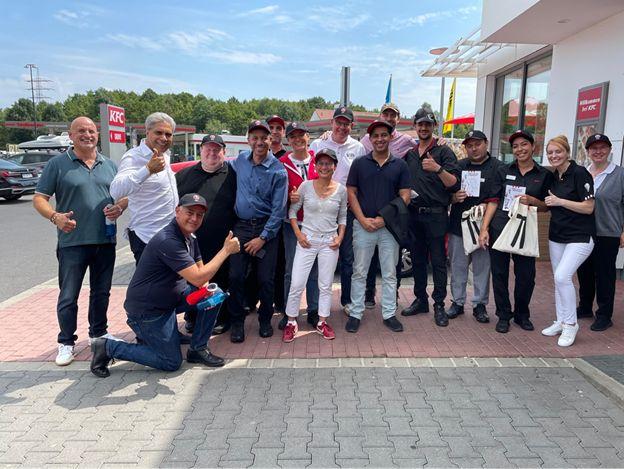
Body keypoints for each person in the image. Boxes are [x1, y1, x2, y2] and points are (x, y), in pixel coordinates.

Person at [89, 193, 241, 377]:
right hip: (148, 311)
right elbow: (199, 277)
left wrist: (206, 294)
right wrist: (225, 251)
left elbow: (201, 275)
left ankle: (198, 349)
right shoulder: (168, 240)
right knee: (170, 361)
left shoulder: (189, 237)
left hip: (169, 301)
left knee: (214, 294)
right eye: (189, 212)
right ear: (177, 211)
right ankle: (107, 347)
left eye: (199, 215)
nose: (194, 218)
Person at [33, 117, 124, 366]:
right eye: (81, 131)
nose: (87, 135)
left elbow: (124, 197)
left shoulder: (110, 165)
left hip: (105, 240)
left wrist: (119, 208)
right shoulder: (58, 164)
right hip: (72, 242)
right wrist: (55, 217)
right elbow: (39, 198)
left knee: (101, 293)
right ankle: (66, 343)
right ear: (71, 136)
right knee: (68, 295)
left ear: (98, 134)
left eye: (91, 131)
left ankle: (98, 335)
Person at [479, 129, 554, 334]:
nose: (519, 149)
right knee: (500, 274)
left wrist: (533, 201)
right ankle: (504, 315)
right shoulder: (502, 171)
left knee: (526, 276)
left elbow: (547, 206)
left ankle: (522, 314)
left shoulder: (544, 175)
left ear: (533, 147)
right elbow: (493, 201)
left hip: (524, 231)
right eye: (515, 146)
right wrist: (484, 229)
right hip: (500, 228)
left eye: (524, 144)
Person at [345, 120, 411, 333]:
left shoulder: (400, 165)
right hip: (362, 225)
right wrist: (362, 219)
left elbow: (406, 197)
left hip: (389, 228)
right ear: (370, 139)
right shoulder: (359, 163)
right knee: (359, 271)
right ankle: (356, 312)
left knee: (390, 272)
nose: (380, 139)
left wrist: (384, 219)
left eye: (384, 135)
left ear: (391, 137)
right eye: (376, 136)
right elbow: (351, 193)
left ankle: (389, 313)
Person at [228, 120, 288, 343]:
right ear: (248, 140)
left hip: (266, 229)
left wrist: (262, 238)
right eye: (255, 137)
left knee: (266, 279)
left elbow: (278, 210)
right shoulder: (240, 160)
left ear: (271, 140)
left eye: (264, 137)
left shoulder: (278, 171)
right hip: (241, 227)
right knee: (235, 276)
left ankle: (264, 320)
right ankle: (236, 323)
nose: (260, 142)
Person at [402, 108, 459, 327]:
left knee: (437, 263)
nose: (424, 128)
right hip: (414, 215)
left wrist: (437, 169)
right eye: (420, 124)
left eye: (428, 124)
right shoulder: (411, 154)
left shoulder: (444, 152)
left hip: (436, 215)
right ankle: (420, 299)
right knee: (417, 261)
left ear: (433, 126)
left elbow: (454, 183)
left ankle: (439, 305)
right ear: (415, 126)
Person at [175, 134, 237, 335]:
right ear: (200, 150)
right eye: (208, 148)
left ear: (224, 152)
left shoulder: (233, 175)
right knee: (193, 282)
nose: (212, 153)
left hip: (222, 242)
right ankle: (192, 316)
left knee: (221, 280)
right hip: (191, 242)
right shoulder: (183, 175)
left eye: (217, 149)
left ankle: (221, 318)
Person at [282, 149, 347, 342]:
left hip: (330, 242)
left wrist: (340, 237)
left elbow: (343, 216)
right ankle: (291, 321)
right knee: (297, 283)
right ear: (315, 166)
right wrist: (299, 234)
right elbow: (293, 212)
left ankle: (322, 321)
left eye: (328, 163)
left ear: (334, 167)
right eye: (321, 163)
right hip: (307, 240)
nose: (324, 167)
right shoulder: (305, 186)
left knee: (325, 285)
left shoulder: (341, 190)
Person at [310, 107, 367, 313]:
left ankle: (347, 301)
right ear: (332, 123)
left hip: (346, 209)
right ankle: (315, 304)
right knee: (316, 256)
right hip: (320, 209)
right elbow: (310, 175)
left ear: (351, 126)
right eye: (339, 122)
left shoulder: (358, 147)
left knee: (347, 257)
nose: (342, 127)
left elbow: (361, 179)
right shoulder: (318, 144)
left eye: (346, 124)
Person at [541, 135, 595, 346]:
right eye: (550, 152)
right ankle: (562, 320)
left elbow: (589, 207)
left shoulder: (580, 173)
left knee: (563, 276)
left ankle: (571, 325)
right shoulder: (554, 175)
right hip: (557, 235)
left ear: (567, 152)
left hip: (580, 236)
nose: (554, 156)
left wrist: (560, 201)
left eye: (558, 151)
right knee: (558, 279)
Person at [110, 112, 179, 264]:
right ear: (147, 132)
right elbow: (116, 190)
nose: (164, 138)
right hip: (147, 238)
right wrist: (147, 170)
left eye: (168, 134)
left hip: (169, 234)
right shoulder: (134, 157)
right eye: (158, 132)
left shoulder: (164, 155)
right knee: (151, 287)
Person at [447, 130, 501, 323]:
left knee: (482, 267)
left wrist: (487, 204)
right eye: (469, 145)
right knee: (458, 266)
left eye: (477, 144)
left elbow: (500, 197)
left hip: (483, 228)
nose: (473, 148)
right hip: (458, 227)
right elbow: (446, 192)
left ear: (486, 143)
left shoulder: (497, 167)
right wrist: (453, 197)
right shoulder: (458, 166)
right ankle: (458, 302)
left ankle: (480, 305)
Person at [576, 134, 624, 331]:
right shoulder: (581, 173)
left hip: (608, 233)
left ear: (610, 149)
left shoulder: (620, 175)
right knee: (584, 273)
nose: (598, 151)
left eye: (602, 147)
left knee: (604, 275)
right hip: (583, 232)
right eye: (593, 148)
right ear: (587, 152)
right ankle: (585, 307)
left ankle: (604, 314)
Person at [278, 122, 320, 331]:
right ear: (288, 140)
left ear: (308, 137)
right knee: (291, 270)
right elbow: (275, 193)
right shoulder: (281, 163)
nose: (297, 139)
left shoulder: (317, 160)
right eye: (292, 136)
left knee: (314, 269)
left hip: (316, 224)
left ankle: (313, 310)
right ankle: (289, 312)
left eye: (301, 135)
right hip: (292, 224)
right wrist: (288, 198)